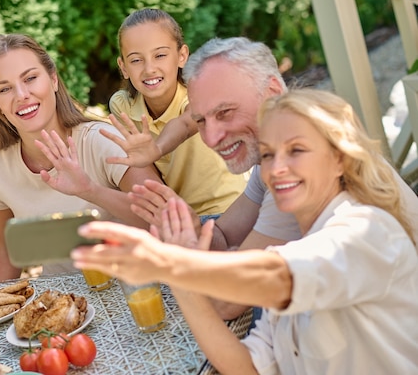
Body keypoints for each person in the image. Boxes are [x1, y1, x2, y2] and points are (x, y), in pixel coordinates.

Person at [72, 88, 418, 374]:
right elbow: (245, 367)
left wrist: (171, 263)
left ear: (339, 158)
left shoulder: (368, 229)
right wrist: (181, 279)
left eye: (296, 150)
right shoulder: (296, 246)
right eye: (267, 155)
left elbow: (278, 276)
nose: (278, 168)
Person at [123, 37, 418, 321]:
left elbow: (226, 303)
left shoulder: (302, 176)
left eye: (225, 112)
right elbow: (224, 237)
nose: (210, 138)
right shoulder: (275, 156)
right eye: (201, 121)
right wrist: (189, 227)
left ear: (273, 91)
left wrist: (186, 250)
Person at [0, 33, 162, 281]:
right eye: (5, 88)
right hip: (63, 304)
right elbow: (9, 249)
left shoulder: (100, 139)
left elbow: (163, 218)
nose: (21, 95)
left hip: (135, 289)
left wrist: (89, 190)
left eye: (30, 78)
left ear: (53, 79)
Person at [101, 8, 246, 222]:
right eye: (136, 60)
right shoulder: (122, 105)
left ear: (181, 56)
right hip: (180, 218)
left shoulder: (198, 94)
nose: (149, 69)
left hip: (227, 210)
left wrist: (157, 149)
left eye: (160, 55)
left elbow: (187, 122)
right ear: (123, 67)